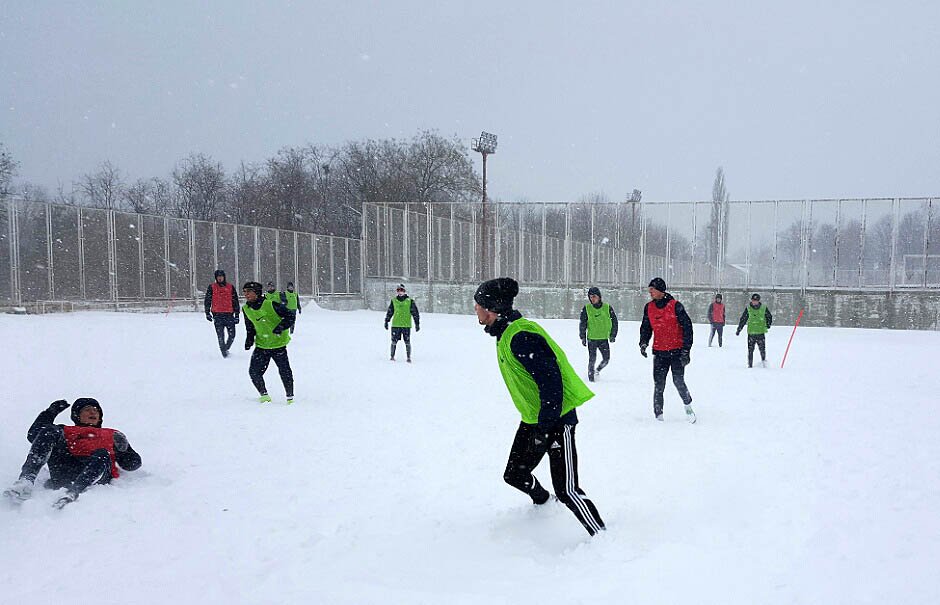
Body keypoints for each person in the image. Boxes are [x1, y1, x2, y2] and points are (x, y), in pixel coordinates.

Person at [474, 277, 606, 537]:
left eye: (477, 304)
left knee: (567, 490)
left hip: (557, 420)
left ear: (491, 309)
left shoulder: (521, 336)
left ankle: (602, 535)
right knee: (514, 473)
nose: (475, 309)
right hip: (534, 419)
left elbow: (552, 384)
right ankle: (545, 505)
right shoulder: (505, 332)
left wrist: (545, 429)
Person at [3, 398, 142, 509]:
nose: (93, 412)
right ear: (77, 415)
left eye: (96, 410)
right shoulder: (64, 431)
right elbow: (34, 435)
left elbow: (132, 464)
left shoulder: (111, 434)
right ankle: (26, 480)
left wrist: (124, 449)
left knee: (102, 453)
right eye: (87, 410)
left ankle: (74, 491)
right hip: (65, 470)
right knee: (49, 431)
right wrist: (49, 413)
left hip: (97, 472)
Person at [639, 277, 696, 423]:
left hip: (676, 352)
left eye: (653, 289)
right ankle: (659, 415)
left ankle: (688, 404)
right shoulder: (649, 307)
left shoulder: (675, 306)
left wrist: (686, 351)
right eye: (649, 289)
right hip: (659, 353)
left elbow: (687, 328)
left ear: (661, 291)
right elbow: (646, 327)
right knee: (659, 384)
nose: (650, 292)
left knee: (678, 381)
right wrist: (643, 342)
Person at [242, 281, 295, 404]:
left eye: (249, 291)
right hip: (262, 345)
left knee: (284, 371)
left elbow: (290, 316)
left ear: (257, 293)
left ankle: (290, 397)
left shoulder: (271, 304)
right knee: (254, 372)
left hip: (278, 344)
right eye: (244, 292)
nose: (246, 294)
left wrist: (280, 327)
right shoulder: (246, 309)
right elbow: (250, 326)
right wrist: (249, 339)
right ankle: (264, 395)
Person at [579, 286, 619, 382]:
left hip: (603, 339)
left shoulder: (607, 307)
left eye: (594, 296)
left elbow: (615, 322)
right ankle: (591, 380)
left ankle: (597, 371)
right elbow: (583, 323)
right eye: (590, 297)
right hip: (592, 339)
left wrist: (613, 335)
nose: (592, 299)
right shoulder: (587, 308)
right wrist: (583, 337)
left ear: (599, 297)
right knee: (592, 359)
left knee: (606, 359)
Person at [204, 269, 240, 358]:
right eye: (218, 277)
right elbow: (207, 301)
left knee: (232, 335)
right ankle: (224, 354)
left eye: (221, 276)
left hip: (229, 315)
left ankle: (226, 348)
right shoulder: (212, 287)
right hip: (217, 315)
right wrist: (207, 313)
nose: (220, 278)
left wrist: (237, 315)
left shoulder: (230, 287)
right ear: (216, 278)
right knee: (220, 336)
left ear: (224, 277)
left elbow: (235, 301)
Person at [384, 283, 420, 362]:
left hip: (406, 325)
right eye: (398, 290)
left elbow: (415, 313)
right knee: (394, 341)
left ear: (404, 291)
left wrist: (417, 324)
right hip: (396, 324)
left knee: (407, 341)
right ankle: (392, 356)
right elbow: (390, 312)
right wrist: (387, 321)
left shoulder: (410, 301)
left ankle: (408, 357)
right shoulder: (394, 301)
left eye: (402, 290)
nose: (400, 292)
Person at [736, 293, 773, 368]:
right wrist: (739, 329)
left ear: (758, 301)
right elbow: (743, 319)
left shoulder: (763, 308)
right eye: (753, 300)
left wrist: (768, 325)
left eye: (756, 301)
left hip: (760, 332)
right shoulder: (748, 308)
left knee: (762, 350)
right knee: (750, 350)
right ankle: (750, 365)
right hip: (751, 333)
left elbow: (769, 316)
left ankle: (764, 363)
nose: (754, 302)